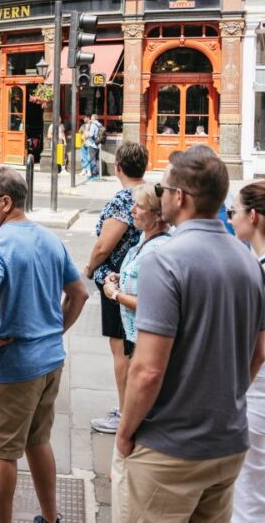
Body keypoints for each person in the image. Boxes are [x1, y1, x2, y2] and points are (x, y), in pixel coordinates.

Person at [112, 145, 265, 522]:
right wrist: (228, 400)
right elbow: (259, 351)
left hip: (170, 449)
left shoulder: (165, 260)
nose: (160, 195)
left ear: (180, 197)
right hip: (226, 443)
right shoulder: (247, 258)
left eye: (163, 190)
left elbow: (147, 370)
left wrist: (126, 431)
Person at [0, 168, 88, 523]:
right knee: (39, 441)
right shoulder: (49, 238)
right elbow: (79, 293)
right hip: (50, 360)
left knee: (2, 454)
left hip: (12, 367)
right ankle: (51, 518)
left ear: (5, 203)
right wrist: (55, 330)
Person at [85, 142, 147, 434]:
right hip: (140, 278)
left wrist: (89, 268)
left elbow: (104, 245)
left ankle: (125, 413)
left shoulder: (124, 200)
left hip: (117, 281)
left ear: (118, 167)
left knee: (121, 349)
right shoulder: (150, 193)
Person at [228, 181, 265, 522]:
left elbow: (258, 349)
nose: (230, 219)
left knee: (249, 492)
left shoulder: (259, 271)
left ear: (253, 216)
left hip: (258, 395)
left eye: (234, 212)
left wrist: (235, 393)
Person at [101, 184, 171, 359]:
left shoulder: (157, 250)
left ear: (158, 215)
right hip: (135, 338)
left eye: (139, 206)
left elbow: (150, 304)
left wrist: (115, 294)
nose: (132, 210)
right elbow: (141, 277)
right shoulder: (144, 237)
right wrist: (120, 276)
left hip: (146, 344)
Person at [85, 114, 102, 180]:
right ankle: (97, 174)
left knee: (92, 160)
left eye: (91, 118)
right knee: (97, 159)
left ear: (93, 118)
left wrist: (86, 134)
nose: (90, 119)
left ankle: (94, 175)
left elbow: (91, 134)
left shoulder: (93, 125)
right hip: (98, 144)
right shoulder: (100, 124)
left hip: (92, 144)